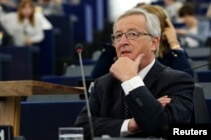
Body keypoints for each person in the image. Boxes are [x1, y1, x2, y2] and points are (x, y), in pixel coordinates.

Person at [75, 7, 194, 139]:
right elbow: (83, 127)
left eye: (132, 34)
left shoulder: (177, 80)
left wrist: (131, 79)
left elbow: (165, 126)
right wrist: (131, 125)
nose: (123, 42)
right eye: (118, 36)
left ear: (154, 43)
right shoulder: (102, 84)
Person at [91, 5, 194, 79]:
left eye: (133, 33)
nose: (124, 41)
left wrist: (174, 43)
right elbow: (94, 83)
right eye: (119, 34)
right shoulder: (119, 53)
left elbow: (186, 82)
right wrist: (118, 40)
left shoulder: (172, 56)